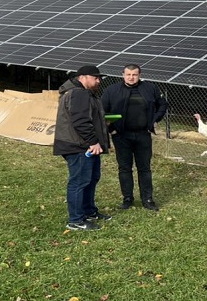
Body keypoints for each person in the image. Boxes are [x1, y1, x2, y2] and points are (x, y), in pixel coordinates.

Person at [101, 64, 168, 211]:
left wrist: (155, 119)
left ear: (139, 75)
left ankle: (148, 199)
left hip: (143, 134)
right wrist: (111, 129)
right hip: (121, 136)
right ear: (123, 75)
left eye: (134, 75)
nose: (131, 78)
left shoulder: (150, 89)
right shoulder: (112, 90)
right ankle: (127, 198)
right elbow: (102, 111)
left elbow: (162, 105)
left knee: (144, 168)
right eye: (128, 74)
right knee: (124, 168)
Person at [53, 65, 112, 231]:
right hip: (79, 146)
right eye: (95, 78)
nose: (98, 81)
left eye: (99, 78)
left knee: (91, 179)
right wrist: (93, 142)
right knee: (79, 181)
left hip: (83, 144)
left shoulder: (84, 93)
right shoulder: (78, 93)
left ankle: (89, 211)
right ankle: (76, 220)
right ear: (82, 77)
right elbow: (80, 121)